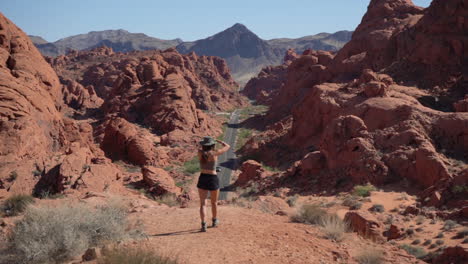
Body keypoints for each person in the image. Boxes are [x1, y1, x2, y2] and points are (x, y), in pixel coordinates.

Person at [197, 136, 230, 232]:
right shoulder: (215, 153)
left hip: (202, 177)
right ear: (212, 145)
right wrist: (220, 141)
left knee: (203, 203)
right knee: (214, 202)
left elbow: (202, 149)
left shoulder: (200, 153)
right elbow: (227, 146)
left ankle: (203, 224)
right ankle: (214, 221)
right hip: (212, 178)